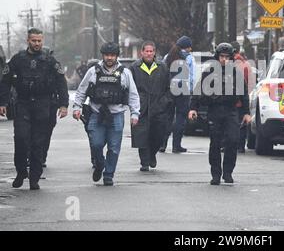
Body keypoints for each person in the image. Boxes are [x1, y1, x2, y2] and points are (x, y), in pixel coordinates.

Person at [0, 28, 69, 190]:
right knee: (21, 138)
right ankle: (21, 171)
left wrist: (63, 104)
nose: (37, 43)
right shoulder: (18, 60)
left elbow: (61, 83)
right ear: (28, 41)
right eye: (34, 41)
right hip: (23, 103)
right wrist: (2, 103)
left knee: (38, 142)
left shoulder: (50, 61)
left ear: (42, 41)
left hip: (42, 104)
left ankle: (34, 178)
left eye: (39, 41)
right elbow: (5, 81)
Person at [73, 42, 140, 186]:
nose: (109, 58)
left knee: (114, 148)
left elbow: (133, 95)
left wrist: (135, 114)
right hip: (96, 113)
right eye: (107, 55)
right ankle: (99, 163)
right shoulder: (93, 71)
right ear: (102, 55)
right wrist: (77, 107)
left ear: (116, 56)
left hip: (116, 114)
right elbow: (82, 90)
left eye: (112, 55)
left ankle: (108, 175)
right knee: (96, 144)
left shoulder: (125, 73)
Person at [188, 43, 251, 185]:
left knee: (233, 140)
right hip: (215, 110)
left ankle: (228, 172)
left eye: (227, 57)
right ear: (217, 57)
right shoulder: (209, 72)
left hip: (231, 111)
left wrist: (246, 113)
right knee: (215, 143)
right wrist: (193, 108)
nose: (224, 59)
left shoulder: (236, 73)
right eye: (222, 56)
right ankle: (216, 174)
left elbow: (244, 94)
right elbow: (198, 91)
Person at [129, 41, 172, 171]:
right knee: (141, 135)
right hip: (141, 107)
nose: (148, 53)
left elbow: (169, 87)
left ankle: (152, 154)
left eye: (151, 51)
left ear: (154, 52)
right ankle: (145, 161)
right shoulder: (134, 68)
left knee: (158, 134)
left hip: (158, 107)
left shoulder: (162, 67)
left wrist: (165, 101)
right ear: (141, 52)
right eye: (146, 51)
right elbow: (130, 88)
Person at [161, 36, 194, 153]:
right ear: (188, 47)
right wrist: (191, 91)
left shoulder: (167, 56)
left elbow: (163, 73)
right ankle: (176, 145)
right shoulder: (189, 58)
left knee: (168, 117)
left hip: (170, 89)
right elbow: (191, 77)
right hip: (183, 90)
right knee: (180, 117)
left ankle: (162, 144)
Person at [230, 41, 252, 154]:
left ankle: (234, 145)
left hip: (234, 98)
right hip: (243, 98)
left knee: (233, 123)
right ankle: (241, 146)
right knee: (242, 123)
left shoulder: (234, 64)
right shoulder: (245, 63)